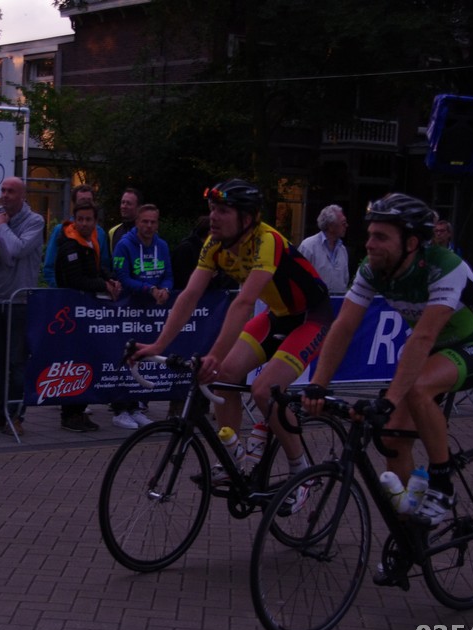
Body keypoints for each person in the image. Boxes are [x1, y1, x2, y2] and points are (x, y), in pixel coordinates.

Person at [302, 193, 473, 526]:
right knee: (392, 439)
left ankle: (442, 483)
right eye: (370, 234)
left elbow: (423, 337)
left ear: (411, 243)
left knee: (418, 388)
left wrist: (390, 400)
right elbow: (344, 326)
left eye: (381, 237)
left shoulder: (445, 267)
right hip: (435, 351)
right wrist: (317, 385)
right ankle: (412, 531)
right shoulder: (373, 269)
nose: (369, 244)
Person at [132, 179, 333, 514]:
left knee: (265, 390)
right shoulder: (214, 244)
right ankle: (234, 458)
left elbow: (244, 302)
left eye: (223, 211)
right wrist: (158, 344)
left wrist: (214, 354)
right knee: (223, 375)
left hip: (311, 316)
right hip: (277, 315)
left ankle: (302, 472)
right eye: (212, 209)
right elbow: (190, 295)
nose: (213, 216)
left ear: (247, 218)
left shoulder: (266, 240)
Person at [0, 177, 45, 438]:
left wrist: (2, 228)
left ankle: (15, 416)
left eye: (11, 191)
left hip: (18, 302)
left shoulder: (35, 221)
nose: (5, 195)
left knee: (17, 362)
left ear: (22, 195)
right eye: (3, 190)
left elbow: (16, 250)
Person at [54, 200, 121, 432]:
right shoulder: (70, 245)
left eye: (88, 219)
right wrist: (103, 285)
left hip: (86, 312)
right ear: (74, 220)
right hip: (72, 314)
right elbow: (75, 280)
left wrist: (109, 278)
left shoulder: (90, 241)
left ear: (95, 222)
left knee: (86, 361)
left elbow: (95, 268)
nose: (84, 223)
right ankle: (70, 414)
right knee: (74, 361)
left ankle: (78, 410)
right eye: (80, 219)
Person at [111, 203, 173, 429]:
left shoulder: (162, 245)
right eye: (144, 221)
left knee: (144, 357)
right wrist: (149, 289)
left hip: (151, 312)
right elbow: (123, 277)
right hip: (128, 309)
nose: (148, 226)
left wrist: (165, 289)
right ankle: (120, 409)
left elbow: (168, 274)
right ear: (137, 222)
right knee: (124, 355)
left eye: (153, 222)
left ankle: (136, 406)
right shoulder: (124, 245)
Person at [42, 184, 111, 288]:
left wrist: (105, 284)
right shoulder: (60, 230)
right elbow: (49, 267)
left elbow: (103, 265)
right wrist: (61, 289)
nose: (86, 204)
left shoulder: (100, 233)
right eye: (82, 201)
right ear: (74, 204)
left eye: (89, 201)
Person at [296, 204, 349, 293]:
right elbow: (298, 277)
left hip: (338, 300)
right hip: (314, 300)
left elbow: (345, 280)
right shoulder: (308, 246)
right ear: (331, 226)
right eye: (343, 223)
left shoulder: (342, 250)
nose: (346, 225)